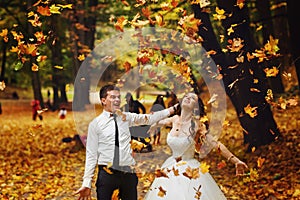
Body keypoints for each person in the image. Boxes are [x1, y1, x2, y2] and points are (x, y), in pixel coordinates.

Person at [75, 84, 178, 200]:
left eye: (118, 97)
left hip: (128, 174)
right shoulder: (95, 124)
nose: (117, 100)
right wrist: (86, 183)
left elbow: (149, 118)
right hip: (107, 175)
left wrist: (173, 109)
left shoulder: (126, 118)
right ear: (103, 101)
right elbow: (91, 155)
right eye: (113, 97)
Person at [144, 92, 248, 200]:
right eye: (186, 96)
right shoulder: (175, 119)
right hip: (170, 167)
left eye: (192, 98)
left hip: (190, 170)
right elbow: (158, 120)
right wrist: (154, 124)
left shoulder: (198, 125)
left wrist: (235, 161)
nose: (188, 98)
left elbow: (216, 144)